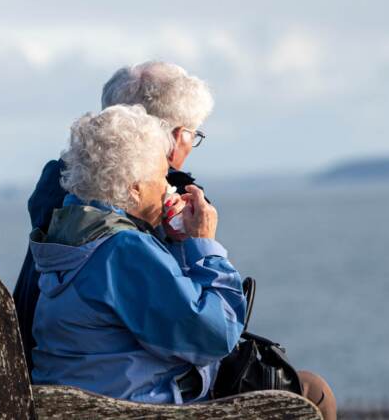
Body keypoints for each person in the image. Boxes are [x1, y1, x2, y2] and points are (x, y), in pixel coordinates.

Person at [30, 105, 245, 403]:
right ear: (134, 189)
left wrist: (178, 242)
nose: (168, 186)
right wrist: (204, 244)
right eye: (161, 175)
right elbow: (216, 335)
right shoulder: (122, 250)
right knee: (305, 398)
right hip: (130, 407)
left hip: (82, 401)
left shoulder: (71, 230)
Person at [13, 61, 214, 373]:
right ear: (173, 136)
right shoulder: (125, 228)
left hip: (39, 360)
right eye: (193, 133)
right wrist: (199, 245)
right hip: (110, 384)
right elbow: (202, 333)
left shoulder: (63, 194)